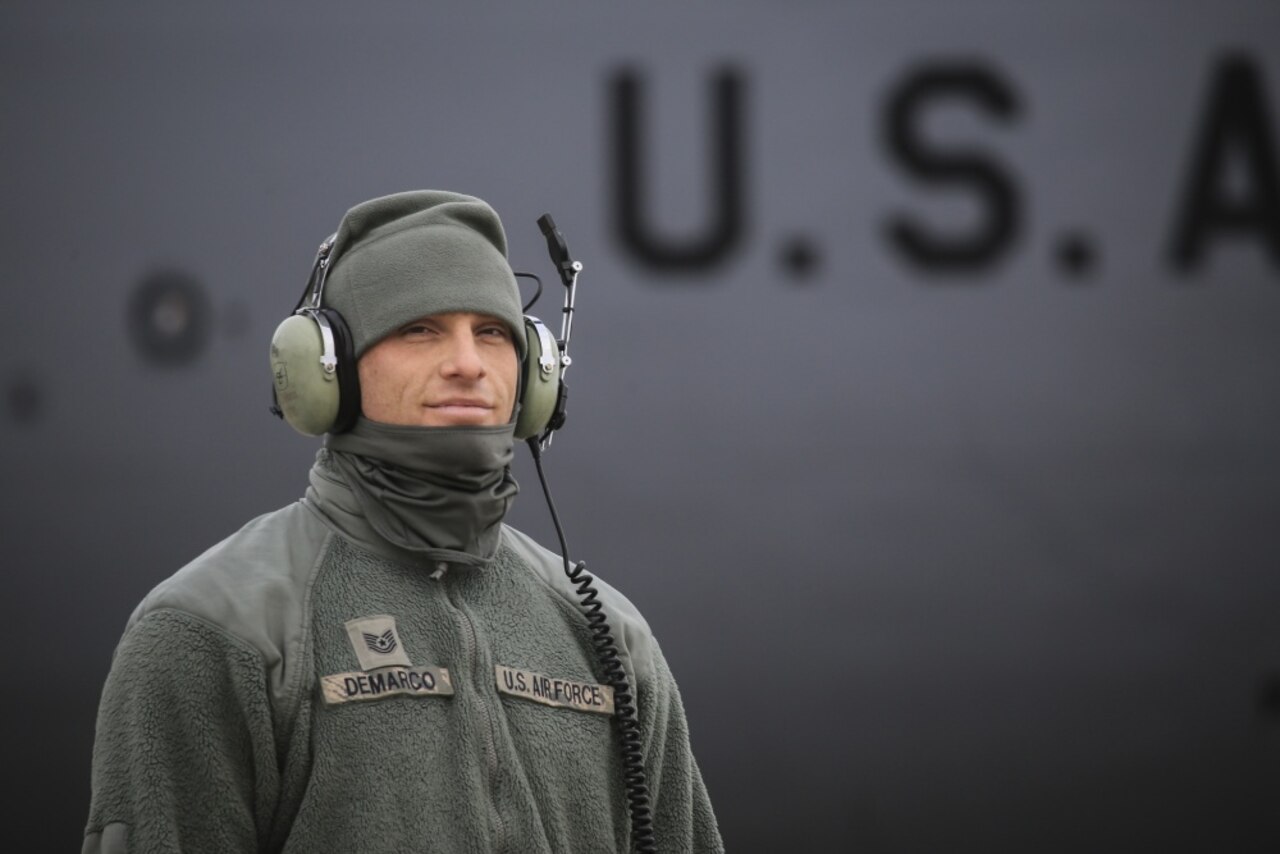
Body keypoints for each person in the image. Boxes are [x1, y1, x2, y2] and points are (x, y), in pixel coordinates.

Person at [83, 190, 723, 853]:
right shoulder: (215, 628)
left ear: (537, 370)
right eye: (419, 329)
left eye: (493, 332)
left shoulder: (608, 637)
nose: (468, 364)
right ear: (328, 370)